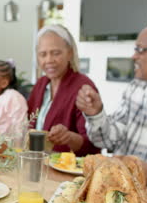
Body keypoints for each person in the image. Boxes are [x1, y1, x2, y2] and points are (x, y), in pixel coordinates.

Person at [76, 23, 147, 185]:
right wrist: (96, 113)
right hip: (121, 189)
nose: (134, 56)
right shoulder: (135, 88)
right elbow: (106, 141)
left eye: (140, 49)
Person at [28, 24, 100, 156]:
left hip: (67, 171)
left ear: (70, 53)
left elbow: (93, 146)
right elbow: (28, 127)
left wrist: (69, 137)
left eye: (56, 53)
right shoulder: (40, 85)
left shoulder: (83, 87)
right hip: (38, 165)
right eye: (43, 54)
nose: (49, 60)